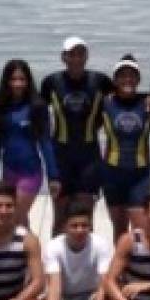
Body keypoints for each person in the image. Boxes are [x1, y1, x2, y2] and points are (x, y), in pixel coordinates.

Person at [41, 37, 113, 231]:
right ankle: (56, 259)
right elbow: (35, 113)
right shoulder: (51, 82)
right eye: (71, 54)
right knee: (61, 216)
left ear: (86, 56)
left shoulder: (100, 81)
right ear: (63, 57)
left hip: (89, 157)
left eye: (81, 53)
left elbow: (125, 98)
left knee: (85, 217)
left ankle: (86, 260)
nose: (76, 58)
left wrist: (149, 99)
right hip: (60, 156)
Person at [0, 58, 60, 226]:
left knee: (14, 216)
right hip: (8, 171)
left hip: (30, 172)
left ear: (28, 81)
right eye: (13, 79)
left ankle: (30, 250)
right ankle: (25, 252)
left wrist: (53, 176)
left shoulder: (37, 106)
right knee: (19, 221)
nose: (17, 84)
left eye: (22, 79)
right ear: (6, 81)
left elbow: (45, 143)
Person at [41, 194, 113, 300]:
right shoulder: (53, 247)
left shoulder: (100, 244)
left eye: (84, 225)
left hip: (90, 295)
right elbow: (54, 287)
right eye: (74, 226)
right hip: (62, 296)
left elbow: (105, 283)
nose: (80, 230)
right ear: (64, 227)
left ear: (90, 226)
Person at [99, 55, 150, 237]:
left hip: (140, 175)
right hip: (112, 173)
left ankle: (140, 265)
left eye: (132, 75)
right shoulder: (105, 103)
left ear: (138, 79)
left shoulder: (148, 102)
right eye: (122, 76)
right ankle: (122, 265)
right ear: (114, 80)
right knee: (120, 230)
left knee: (141, 230)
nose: (127, 79)